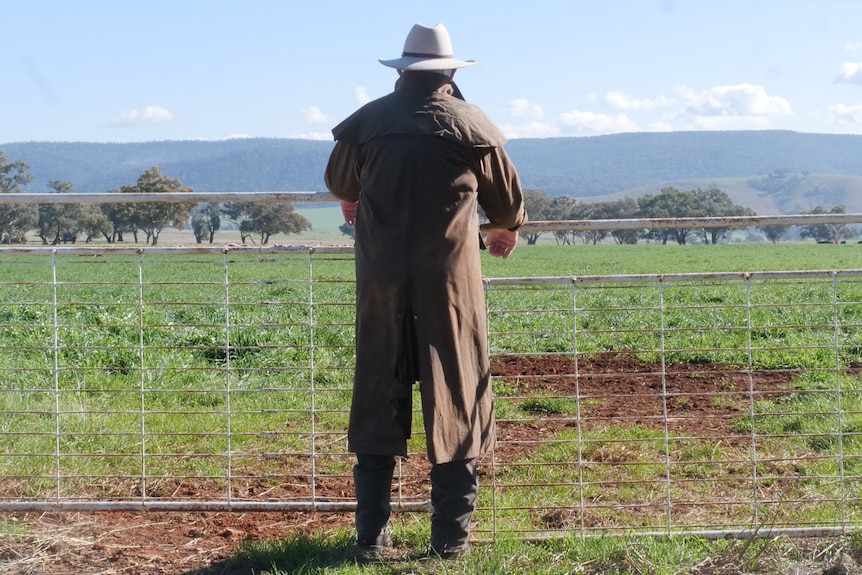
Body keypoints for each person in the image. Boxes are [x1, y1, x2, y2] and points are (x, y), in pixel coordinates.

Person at [324, 22, 527, 558]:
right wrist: (500, 230)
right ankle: (449, 545)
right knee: (457, 395)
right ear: (450, 73)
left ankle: (369, 539)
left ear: (400, 72)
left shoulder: (366, 123)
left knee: (376, 392)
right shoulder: (471, 123)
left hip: (381, 284)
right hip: (450, 289)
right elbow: (506, 203)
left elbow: (341, 184)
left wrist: (358, 197)